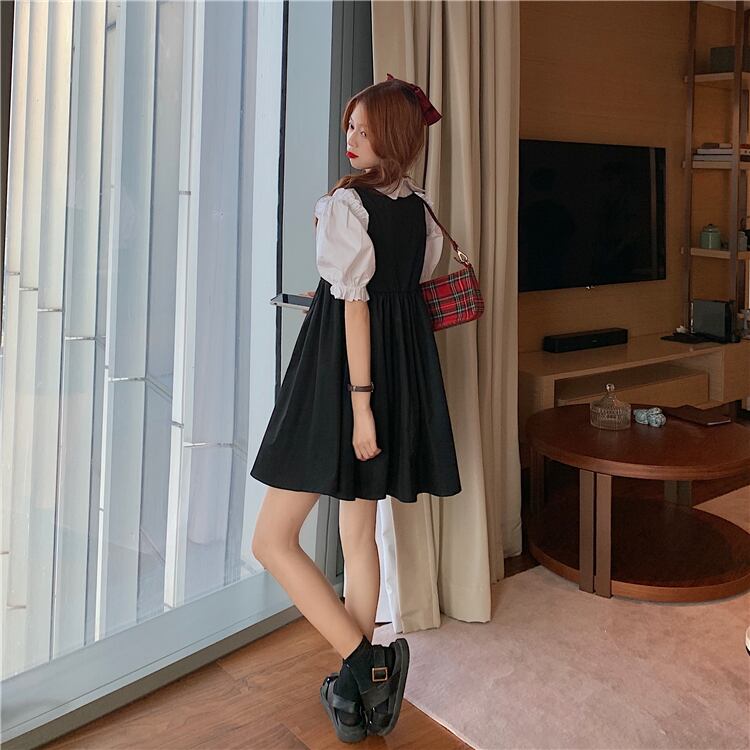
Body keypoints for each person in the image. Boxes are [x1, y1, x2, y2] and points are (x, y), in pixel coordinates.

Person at [249, 73, 461, 743]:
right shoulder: (420, 209)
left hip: (345, 379)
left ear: (392, 137)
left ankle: (366, 664)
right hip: (395, 374)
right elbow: (411, 286)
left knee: (271, 540)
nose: (352, 138)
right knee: (357, 535)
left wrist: (361, 408)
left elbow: (358, 307)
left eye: (364, 129)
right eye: (350, 127)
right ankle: (356, 696)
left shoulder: (346, 206)